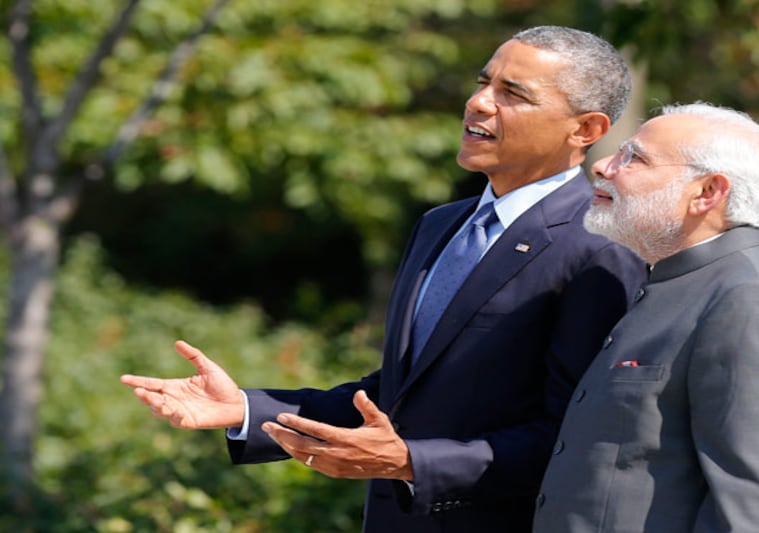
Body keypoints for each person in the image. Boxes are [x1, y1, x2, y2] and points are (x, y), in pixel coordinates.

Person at [120, 25, 647, 532]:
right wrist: (249, 409)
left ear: (586, 130)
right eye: (483, 82)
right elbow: (402, 394)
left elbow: (580, 439)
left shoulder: (600, 247)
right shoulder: (441, 225)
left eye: (513, 93)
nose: (480, 102)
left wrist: (413, 463)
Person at [533, 102, 759, 533]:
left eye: (634, 158)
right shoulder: (682, 283)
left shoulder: (754, 298)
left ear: (708, 192)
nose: (602, 166)